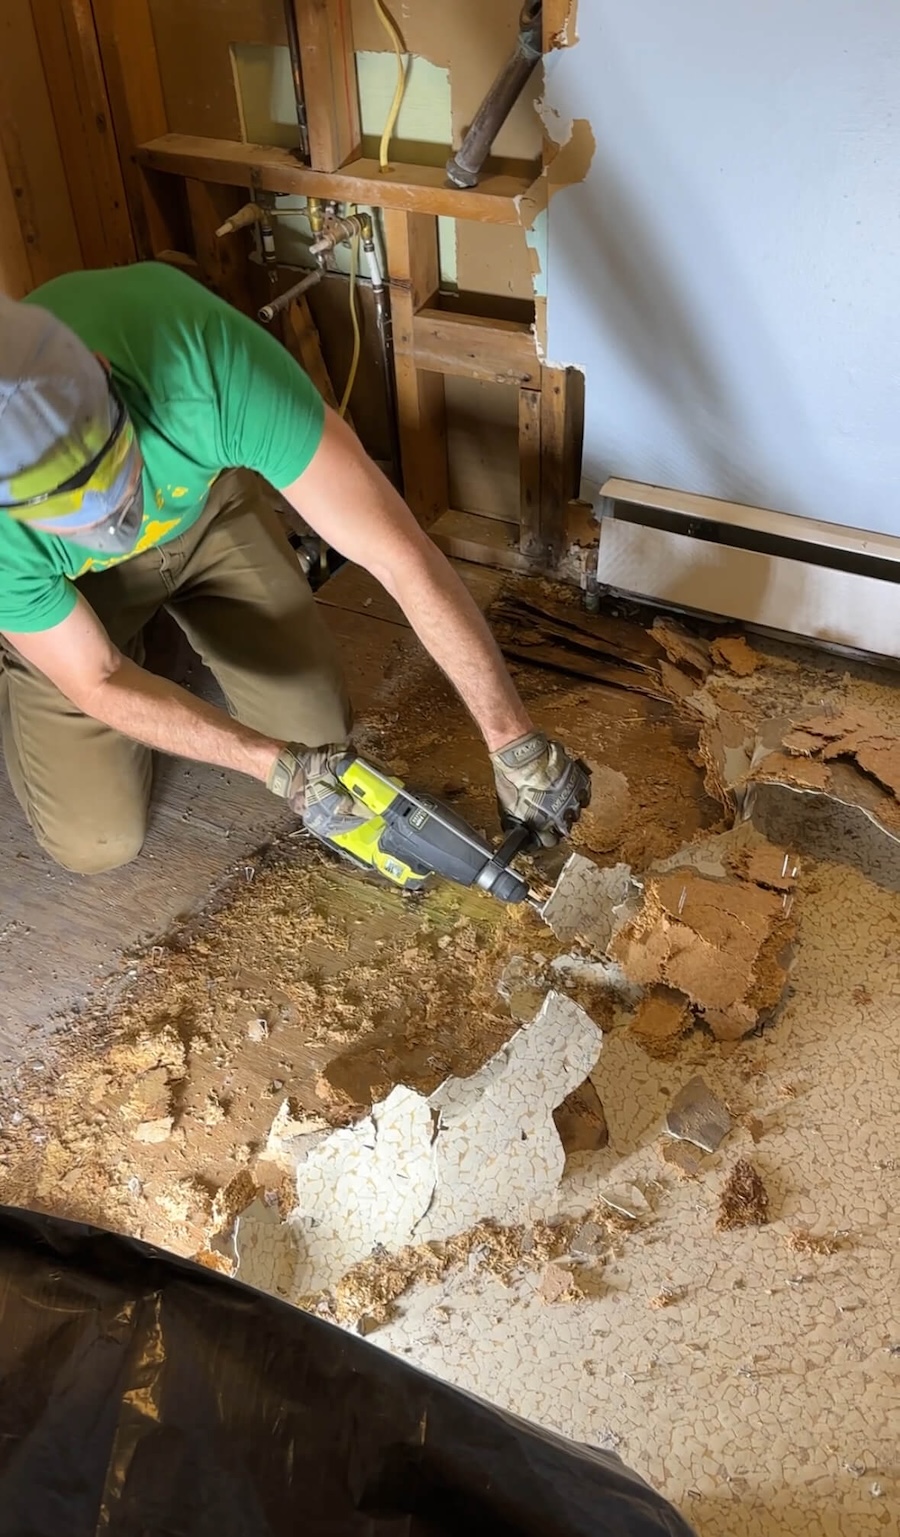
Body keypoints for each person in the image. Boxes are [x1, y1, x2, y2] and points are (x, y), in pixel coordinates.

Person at [0, 262, 588, 876]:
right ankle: (37, 647)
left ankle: (154, 610)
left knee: (319, 732)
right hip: (72, 588)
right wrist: (273, 765)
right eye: (76, 511)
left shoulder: (205, 363)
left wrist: (514, 743)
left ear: (101, 371)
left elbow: (398, 552)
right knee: (96, 843)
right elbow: (96, 679)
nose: (119, 516)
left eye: (116, 475)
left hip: (204, 511)